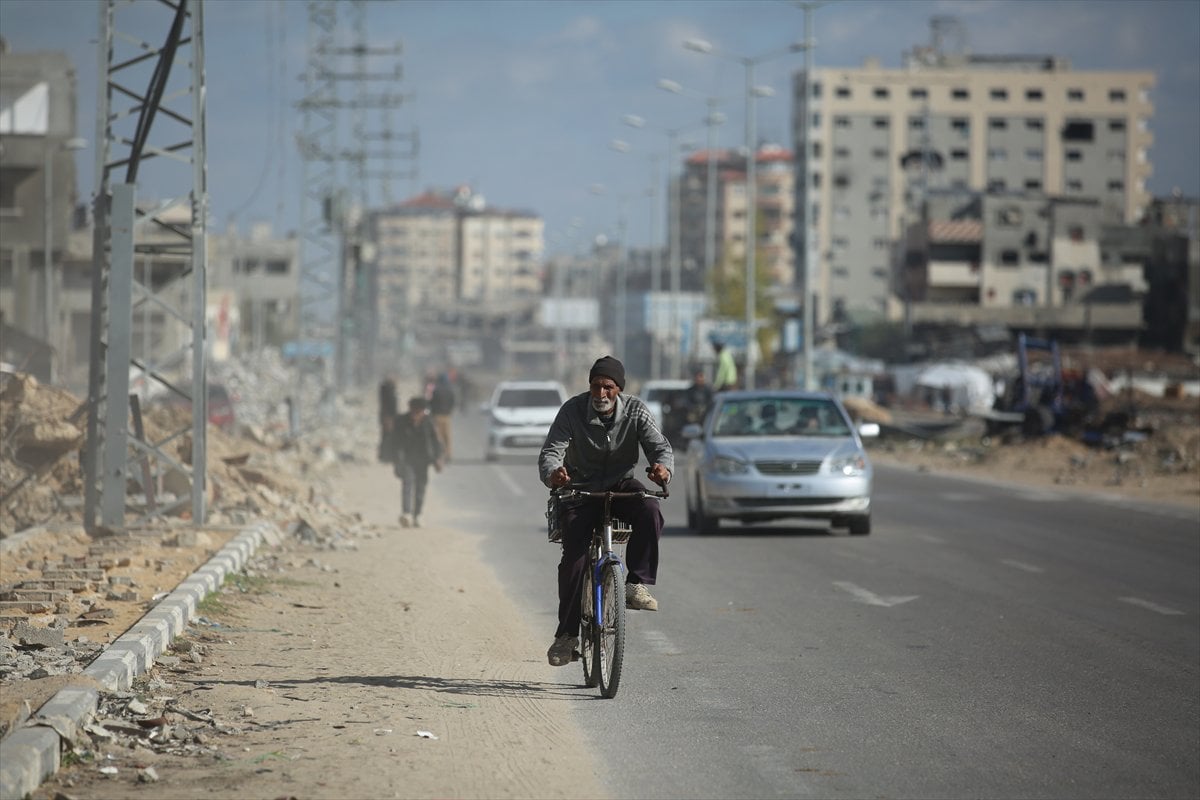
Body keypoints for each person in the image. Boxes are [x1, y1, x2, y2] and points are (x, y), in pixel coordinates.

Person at [538, 355, 673, 668]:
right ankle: (567, 636)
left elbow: (660, 446)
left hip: (620, 485)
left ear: (619, 389)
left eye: (608, 388)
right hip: (580, 490)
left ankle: (636, 583)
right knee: (574, 560)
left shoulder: (637, 410)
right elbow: (551, 452)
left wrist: (662, 469)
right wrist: (554, 473)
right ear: (589, 386)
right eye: (596, 387)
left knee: (650, 509)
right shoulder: (572, 410)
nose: (601, 394)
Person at [390, 396, 444, 528]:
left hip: (424, 460)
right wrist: (395, 460)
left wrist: (438, 459)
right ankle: (406, 513)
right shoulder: (401, 421)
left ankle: (418, 515)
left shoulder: (429, 423)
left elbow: (436, 442)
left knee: (420, 487)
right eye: (414, 412)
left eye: (418, 412)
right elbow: (394, 442)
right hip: (407, 459)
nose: (415, 415)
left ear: (423, 411)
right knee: (407, 483)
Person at [429, 372, 456, 462]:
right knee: (447, 437)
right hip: (447, 416)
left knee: (438, 437)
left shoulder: (436, 391)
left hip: (437, 416)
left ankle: (439, 454)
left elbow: (431, 403)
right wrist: (449, 411)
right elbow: (453, 402)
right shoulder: (450, 391)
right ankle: (448, 455)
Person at [377, 375, 398, 462]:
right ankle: (386, 456)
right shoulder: (389, 391)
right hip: (389, 417)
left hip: (386, 416)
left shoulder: (386, 390)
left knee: (386, 436)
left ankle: (384, 456)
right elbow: (391, 406)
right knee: (388, 437)